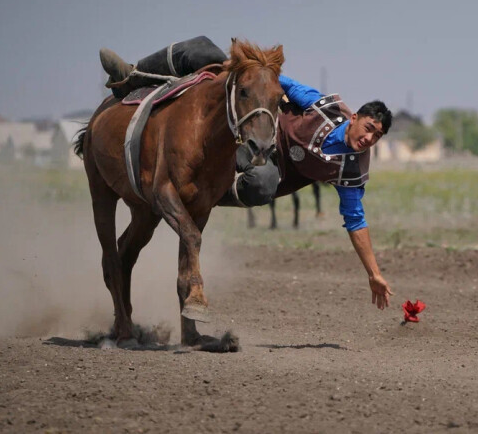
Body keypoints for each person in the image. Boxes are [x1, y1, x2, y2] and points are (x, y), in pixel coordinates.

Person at [98, 39, 395, 308]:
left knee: (264, 184)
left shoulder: (351, 169)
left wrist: (374, 274)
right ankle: (132, 75)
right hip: (248, 136)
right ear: (354, 117)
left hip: (267, 167)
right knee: (203, 49)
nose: (369, 139)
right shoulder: (321, 107)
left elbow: (356, 221)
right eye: (369, 128)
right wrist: (240, 70)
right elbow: (279, 83)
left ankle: (208, 192)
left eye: (377, 137)